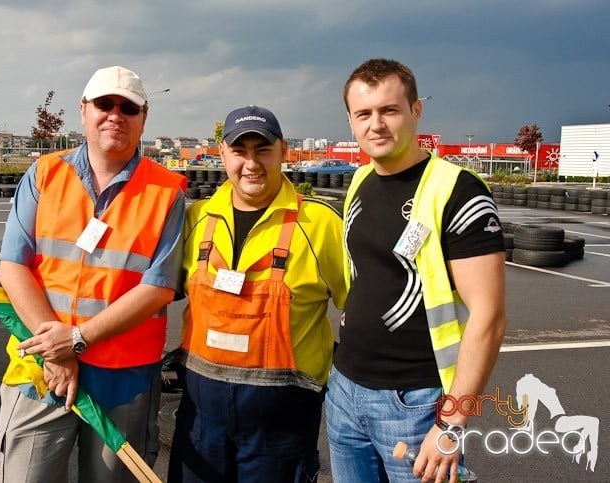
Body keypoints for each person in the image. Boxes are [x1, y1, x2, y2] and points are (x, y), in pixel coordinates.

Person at [0, 65, 187, 482]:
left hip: (124, 380)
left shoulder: (167, 191)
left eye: (128, 107)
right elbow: (12, 267)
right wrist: (58, 351)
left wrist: (77, 340)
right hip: (42, 374)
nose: (115, 114)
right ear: (84, 111)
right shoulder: (44, 175)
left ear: (143, 117)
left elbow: (158, 288)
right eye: (104, 104)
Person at [326, 58, 507, 483]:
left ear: (415, 111)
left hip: (417, 404)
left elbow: (490, 317)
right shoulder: (360, 181)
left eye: (389, 110)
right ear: (351, 121)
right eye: (364, 114)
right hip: (345, 392)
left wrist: (451, 424)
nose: (377, 125)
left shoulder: (457, 191)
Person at [168, 105, 347, 482]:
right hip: (202, 421)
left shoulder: (319, 225)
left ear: (283, 151)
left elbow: (361, 310)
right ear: (223, 154)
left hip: (281, 429)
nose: (252, 163)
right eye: (240, 150)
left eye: (263, 149)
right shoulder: (195, 219)